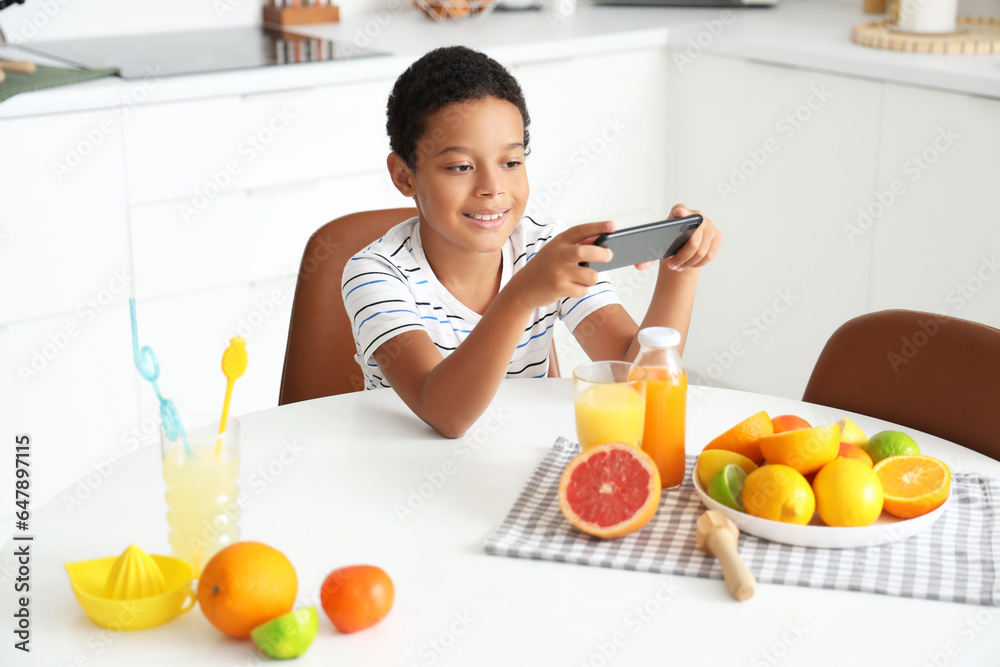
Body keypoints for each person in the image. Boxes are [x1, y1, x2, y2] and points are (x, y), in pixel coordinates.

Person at [342, 46, 721, 438]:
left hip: (511, 464)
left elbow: (638, 382)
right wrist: (523, 294)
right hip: (399, 478)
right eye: (460, 167)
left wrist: (682, 267)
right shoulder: (375, 275)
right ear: (405, 176)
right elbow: (445, 414)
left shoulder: (543, 246)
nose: (492, 188)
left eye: (511, 162)